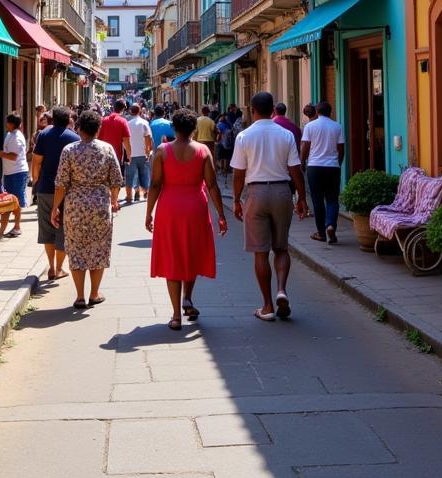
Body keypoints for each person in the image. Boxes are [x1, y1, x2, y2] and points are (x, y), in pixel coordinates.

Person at [147, 108, 228, 330]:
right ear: (194, 129)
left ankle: (175, 315)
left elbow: (155, 184)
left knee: (174, 257)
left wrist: (148, 214)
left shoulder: (162, 151)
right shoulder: (203, 151)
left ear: (174, 128)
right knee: (190, 252)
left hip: (169, 208)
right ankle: (188, 298)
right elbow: (212, 185)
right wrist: (221, 214)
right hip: (196, 206)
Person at [231, 91, 307, 322]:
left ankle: (267, 306)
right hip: (282, 191)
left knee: (260, 251)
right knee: (281, 248)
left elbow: (238, 173)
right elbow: (295, 169)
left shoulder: (244, 136)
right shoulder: (285, 135)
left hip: (256, 193)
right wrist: (302, 198)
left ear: (252, 110)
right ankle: (282, 290)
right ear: (273, 109)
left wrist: (236, 199)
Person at [52, 109, 123, 309]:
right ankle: (94, 293)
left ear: (79, 128)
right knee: (99, 248)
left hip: (75, 206)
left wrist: (55, 208)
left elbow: (61, 184)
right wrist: (114, 200)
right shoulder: (107, 149)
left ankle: (80, 296)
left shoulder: (69, 150)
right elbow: (116, 180)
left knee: (76, 249)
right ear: (98, 129)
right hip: (100, 206)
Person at [32, 106, 79, 281]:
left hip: (45, 188)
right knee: (64, 230)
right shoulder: (74, 138)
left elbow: (36, 161)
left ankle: (51, 267)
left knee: (47, 230)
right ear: (68, 120)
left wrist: (35, 180)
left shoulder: (44, 135)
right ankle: (59, 268)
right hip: (67, 191)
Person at [300, 101, 346, 244]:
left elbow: (305, 147)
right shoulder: (337, 126)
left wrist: (302, 162)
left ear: (317, 112)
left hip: (314, 167)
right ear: (330, 112)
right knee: (332, 199)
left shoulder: (310, 126)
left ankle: (321, 233)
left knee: (317, 200)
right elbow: (341, 149)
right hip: (332, 167)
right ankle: (331, 224)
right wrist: (337, 164)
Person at [0, 114, 28, 239]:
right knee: (11, 201)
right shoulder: (9, 135)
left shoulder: (17, 137)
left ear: (11, 124)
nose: (6, 124)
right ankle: (4, 230)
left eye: (7, 122)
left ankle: (15, 227)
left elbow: (13, 156)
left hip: (17, 172)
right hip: (10, 172)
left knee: (14, 201)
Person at [97, 99, 131, 201]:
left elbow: (98, 137)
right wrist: (129, 156)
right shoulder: (122, 121)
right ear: (123, 110)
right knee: (116, 181)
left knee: (105, 180)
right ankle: (113, 201)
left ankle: (107, 200)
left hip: (103, 156)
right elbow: (126, 141)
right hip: (117, 156)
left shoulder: (103, 120)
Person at [125, 103, 153, 203]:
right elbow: (148, 137)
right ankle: (146, 192)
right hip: (142, 153)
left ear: (130, 111)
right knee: (144, 174)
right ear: (140, 111)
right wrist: (148, 150)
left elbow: (125, 139)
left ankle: (133, 193)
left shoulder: (127, 124)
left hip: (131, 154)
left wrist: (127, 153)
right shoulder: (144, 123)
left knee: (131, 175)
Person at [215, 108, 232, 175]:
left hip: (221, 143)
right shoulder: (228, 124)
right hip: (227, 143)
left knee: (221, 157)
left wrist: (216, 140)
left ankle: (222, 169)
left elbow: (219, 134)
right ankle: (225, 170)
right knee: (226, 157)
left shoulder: (219, 125)